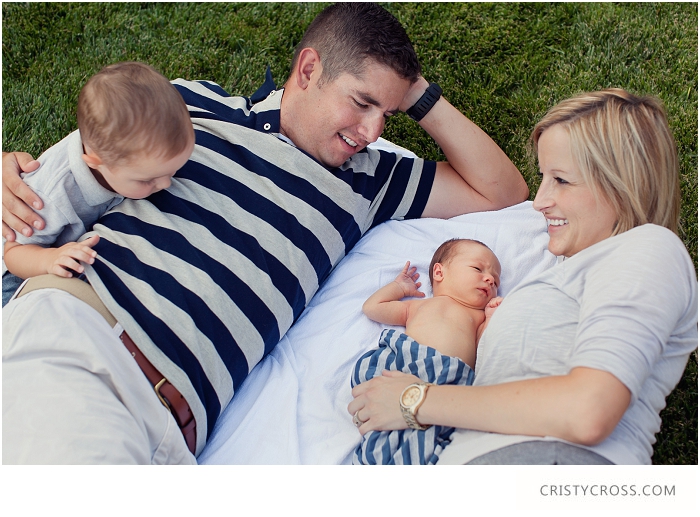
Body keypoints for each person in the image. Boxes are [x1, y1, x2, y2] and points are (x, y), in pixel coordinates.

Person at [1, 3, 528, 464]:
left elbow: (502, 189)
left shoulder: (371, 180)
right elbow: (50, 196)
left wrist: (414, 91)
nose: (373, 132)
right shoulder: (194, 108)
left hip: (174, 435)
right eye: (362, 102)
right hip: (87, 344)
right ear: (308, 68)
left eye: (388, 114)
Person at [348, 88, 698, 465]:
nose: (540, 201)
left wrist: (415, 400)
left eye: (561, 180)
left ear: (621, 182)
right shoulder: (567, 275)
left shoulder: (648, 248)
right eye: (544, 178)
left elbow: (587, 412)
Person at [2, 62, 195, 306]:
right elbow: (13, 254)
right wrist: (50, 259)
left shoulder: (125, 149)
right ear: (95, 162)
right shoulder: (51, 196)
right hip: (20, 266)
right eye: (148, 179)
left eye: (173, 170)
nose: (166, 184)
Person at [351, 239, 502, 464]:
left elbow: (482, 346)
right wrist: (399, 287)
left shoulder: (478, 316)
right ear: (439, 272)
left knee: (427, 433)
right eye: (478, 269)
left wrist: (491, 318)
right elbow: (373, 308)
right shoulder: (419, 307)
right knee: (386, 424)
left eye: (496, 280)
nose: (490, 279)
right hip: (408, 366)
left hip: (446, 382)